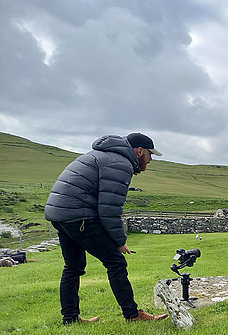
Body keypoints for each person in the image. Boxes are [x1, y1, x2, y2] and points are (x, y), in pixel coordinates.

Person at [45, 133, 168, 324]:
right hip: (79, 215)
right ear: (139, 151)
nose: (150, 159)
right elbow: (109, 209)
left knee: (73, 266)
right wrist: (119, 241)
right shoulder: (120, 163)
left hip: (60, 214)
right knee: (116, 263)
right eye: (149, 154)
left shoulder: (104, 155)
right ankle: (132, 314)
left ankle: (70, 318)